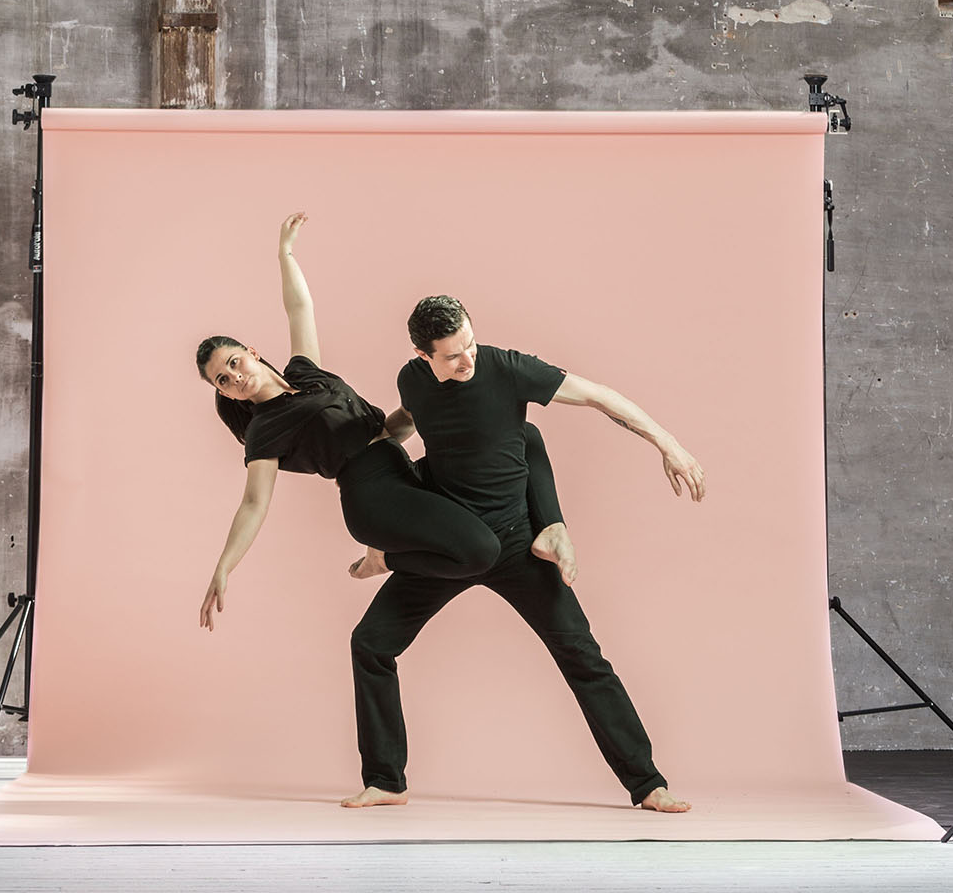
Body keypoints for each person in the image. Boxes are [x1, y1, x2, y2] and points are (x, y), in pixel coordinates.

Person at [342, 294, 705, 813]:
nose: (467, 359)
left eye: (469, 343)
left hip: (515, 543)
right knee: (371, 644)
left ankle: (648, 784)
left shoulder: (508, 368)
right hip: (449, 541)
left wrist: (669, 444)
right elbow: (407, 419)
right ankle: (385, 780)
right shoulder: (412, 379)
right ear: (423, 356)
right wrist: (369, 442)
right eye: (451, 355)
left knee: (582, 655)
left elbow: (600, 396)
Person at [196, 214, 577, 633]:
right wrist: (224, 567)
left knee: (522, 435)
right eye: (223, 381)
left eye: (234, 363)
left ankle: (550, 529)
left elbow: (299, 308)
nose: (235, 377)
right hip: (370, 496)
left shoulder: (305, 373)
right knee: (481, 549)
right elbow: (254, 504)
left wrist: (285, 253)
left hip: (402, 472)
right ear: (226, 393)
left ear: (250, 352)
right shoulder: (263, 430)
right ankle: (384, 559)